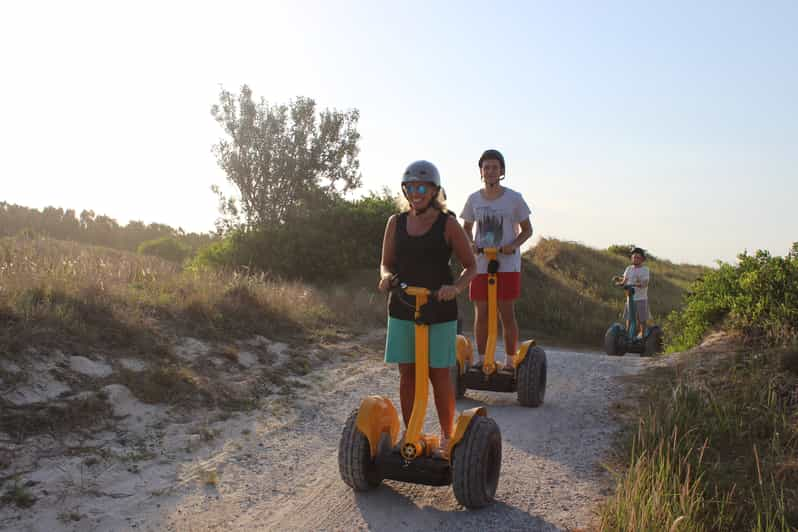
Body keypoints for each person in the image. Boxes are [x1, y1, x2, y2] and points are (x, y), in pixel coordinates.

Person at [378, 160, 476, 454]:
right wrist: (385, 278)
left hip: (438, 309)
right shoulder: (395, 222)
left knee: (439, 374)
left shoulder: (448, 224)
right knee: (407, 372)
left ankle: (448, 435)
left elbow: (471, 266)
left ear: (434, 190)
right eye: (410, 187)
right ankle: (413, 433)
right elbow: (386, 263)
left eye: (422, 187)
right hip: (403, 305)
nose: (415, 193)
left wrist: (455, 288)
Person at [460, 149, 533, 369]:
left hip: (507, 264)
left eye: (495, 167)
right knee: (481, 312)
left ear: (502, 171)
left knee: (506, 313)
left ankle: (510, 361)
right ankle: (482, 359)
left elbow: (527, 230)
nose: (490, 171)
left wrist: (512, 246)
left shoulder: (514, 198)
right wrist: (471, 244)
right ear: (481, 172)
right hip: (480, 264)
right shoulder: (473, 199)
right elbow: (466, 228)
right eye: (486, 167)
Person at [614, 247, 651, 336]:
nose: (635, 259)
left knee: (642, 319)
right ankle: (627, 336)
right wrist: (619, 282)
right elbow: (625, 281)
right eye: (634, 257)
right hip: (630, 298)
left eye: (638, 257)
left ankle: (642, 336)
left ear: (642, 259)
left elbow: (645, 283)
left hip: (641, 298)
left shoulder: (645, 269)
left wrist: (640, 284)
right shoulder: (629, 269)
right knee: (629, 318)